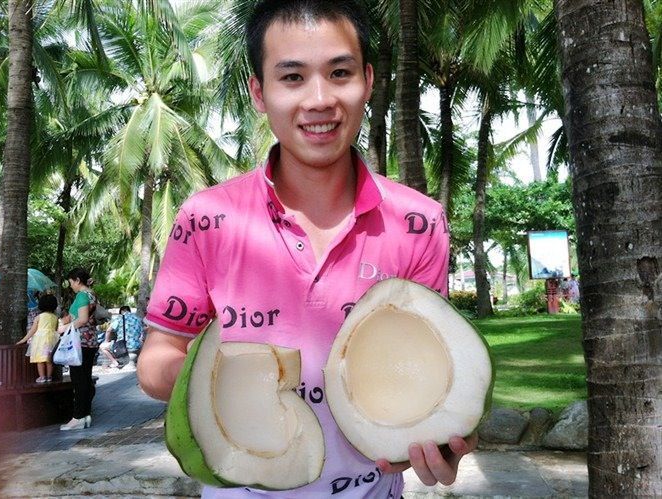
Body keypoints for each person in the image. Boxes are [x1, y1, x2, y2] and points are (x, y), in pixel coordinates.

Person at [138, 1, 476, 496]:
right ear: (259, 92)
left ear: (367, 80)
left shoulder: (419, 222)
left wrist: (443, 439)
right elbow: (156, 360)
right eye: (292, 77)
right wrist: (231, 382)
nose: (319, 100)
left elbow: (433, 365)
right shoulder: (207, 218)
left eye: (339, 73)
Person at [58, 268, 99, 431]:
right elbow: (76, 316)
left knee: (79, 380)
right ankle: (85, 415)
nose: (71, 285)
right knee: (85, 379)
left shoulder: (82, 295)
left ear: (77, 280)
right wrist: (64, 321)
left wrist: (64, 328)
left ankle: (78, 417)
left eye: (71, 282)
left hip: (80, 342)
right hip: (90, 341)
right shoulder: (91, 294)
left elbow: (82, 319)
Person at [16, 294, 59, 383]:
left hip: (40, 341)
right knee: (49, 360)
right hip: (52, 340)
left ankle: (42, 377)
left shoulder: (39, 317)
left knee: (40, 359)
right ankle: (49, 377)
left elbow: (32, 331)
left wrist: (23, 340)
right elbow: (55, 330)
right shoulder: (55, 317)